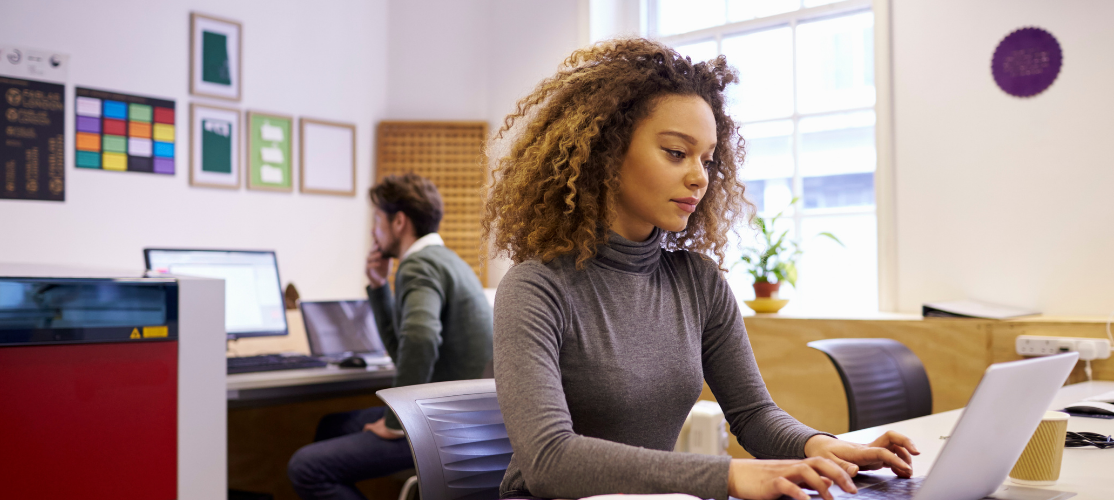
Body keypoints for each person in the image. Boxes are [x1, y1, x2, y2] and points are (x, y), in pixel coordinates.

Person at [483, 38, 919, 500]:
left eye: (707, 160)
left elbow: (754, 414)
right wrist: (727, 476)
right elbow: (548, 460)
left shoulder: (698, 281)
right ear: (605, 151)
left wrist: (826, 447)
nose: (699, 177)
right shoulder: (536, 288)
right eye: (676, 152)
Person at [289, 173, 494, 500]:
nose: (373, 231)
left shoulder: (418, 266)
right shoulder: (447, 261)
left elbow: (421, 339)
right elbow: (405, 352)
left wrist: (397, 423)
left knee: (306, 468)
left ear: (399, 222)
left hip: (440, 429)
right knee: (333, 425)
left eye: (377, 220)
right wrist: (379, 286)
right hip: (464, 423)